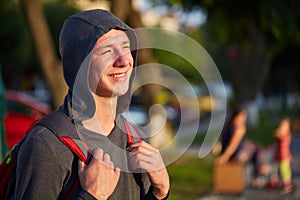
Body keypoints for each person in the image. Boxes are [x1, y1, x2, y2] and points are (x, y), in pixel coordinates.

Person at [8, 9, 170, 199]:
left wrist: (159, 192)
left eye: (126, 48)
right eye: (107, 51)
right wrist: (91, 196)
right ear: (80, 64)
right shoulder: (46, 145)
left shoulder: (134, 139)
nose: (124, 60)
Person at [217, 108, 260, 187]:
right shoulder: (240, 128)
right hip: (234, 155)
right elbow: (233, 145)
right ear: (236, 117)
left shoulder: (229, 126)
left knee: (253, 146)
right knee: (255, 151)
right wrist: (224, 157)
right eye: (242, 117)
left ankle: (257, 173)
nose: (244, 119)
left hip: (228, 153)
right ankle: (256, 178)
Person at [273, 118, 295, 194]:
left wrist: (280, 130)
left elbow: (277, 134)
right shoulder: (285, 133)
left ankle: (287, 184)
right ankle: (286, 183)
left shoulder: (285, 134)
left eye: (284, 125)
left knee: (285, 170)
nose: (281, 127)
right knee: (284, 169)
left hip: (284, 155)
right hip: (282, 154)